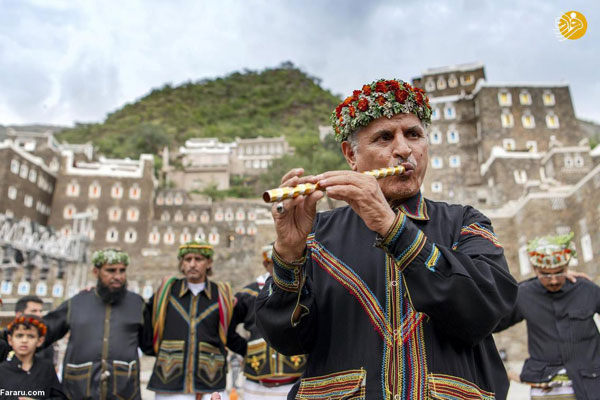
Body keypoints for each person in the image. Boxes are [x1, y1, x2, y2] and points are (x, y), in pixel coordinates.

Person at [255, 78, 519, 399]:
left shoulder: (465, 222)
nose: (404, 150)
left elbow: (487, 311)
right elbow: (286, 340)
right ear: (351, 155)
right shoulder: (316, 234)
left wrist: (391, 227)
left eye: (413, 134)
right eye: (384, 138)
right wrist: (288, 254)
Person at [495, 233, 600, 399]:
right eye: (545, 274)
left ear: (567, 266)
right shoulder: (523, 294)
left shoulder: (586, 289)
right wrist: (501, 370)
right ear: (535, 269)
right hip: (544, 389)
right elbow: (488, 326)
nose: (553, 281)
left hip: (590, 387)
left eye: (559, 273)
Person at [43, 248, 153, 400]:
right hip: (79, 391)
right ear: (96, 272)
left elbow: (150, 344)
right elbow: (43, 332)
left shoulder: (137, 304)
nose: (118, 276)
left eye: (122, 271)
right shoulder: (77, 303)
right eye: (111, 271)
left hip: (124, 392)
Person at [148, 240, 247, 400]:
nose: (192, 264)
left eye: (198, 259)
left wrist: (250, 351)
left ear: (208, 263)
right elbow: (147, 329)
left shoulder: (222, 294)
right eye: (187, 259)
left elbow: (229, 335)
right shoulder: (167, 292)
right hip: (169, 381)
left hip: (209, 381)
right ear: (181, 264)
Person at [234, 244, 306, 399]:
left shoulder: (302, 290)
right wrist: (245, 349)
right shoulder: (247, 294)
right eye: (275, 264)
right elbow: (227, 327)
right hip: (256, 381)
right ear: (266, 264)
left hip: (293, 378)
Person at [0, 314, 66, 399]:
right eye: (19, 336)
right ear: (10, 340)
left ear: (40, 341)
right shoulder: (2, 371)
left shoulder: (46, 369)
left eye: (31, 336)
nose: (24, 340)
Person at [0, 295, 55, 363]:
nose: (39, 315)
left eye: (40, 311)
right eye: (34, 311)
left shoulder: (46, 345)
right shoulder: (3, 339)